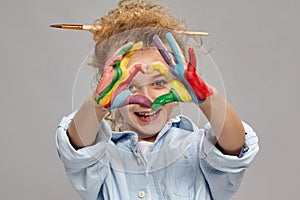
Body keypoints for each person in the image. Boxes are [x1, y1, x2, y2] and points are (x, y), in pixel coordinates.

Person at [55, 0, 259, 199]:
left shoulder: (197, 148)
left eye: (159, 83)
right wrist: (97, 105)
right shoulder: (103, 159)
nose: (147, 98)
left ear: (180, 83)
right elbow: (76, 150)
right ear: (107, 86)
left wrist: (207, 98)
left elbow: (234, 148)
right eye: (131, 85)